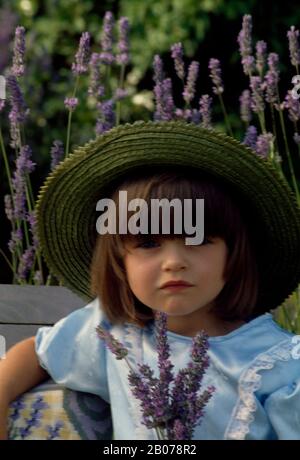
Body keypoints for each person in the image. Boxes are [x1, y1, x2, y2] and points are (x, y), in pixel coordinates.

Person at [1, 121, 300, 440]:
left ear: (235, 253)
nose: (173, 262)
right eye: (147, 243)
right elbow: (37, 353)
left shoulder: (280, 364)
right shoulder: (114, 332)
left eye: (197, 240)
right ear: (119, 261)